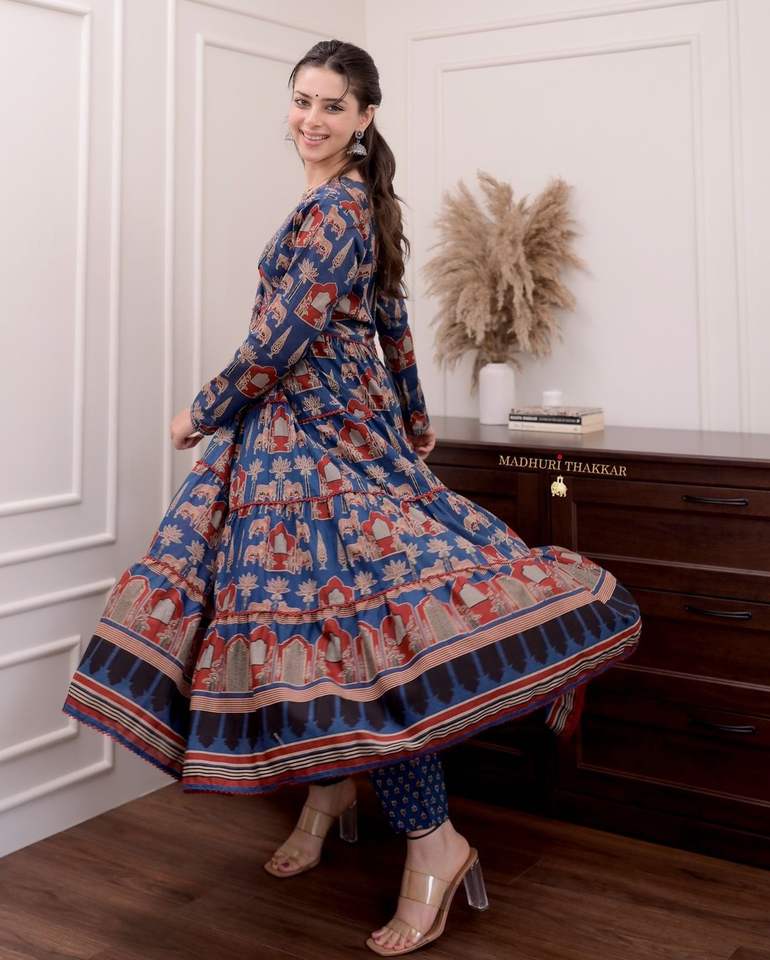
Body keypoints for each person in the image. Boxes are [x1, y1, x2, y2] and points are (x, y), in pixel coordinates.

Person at [62, 39, 641, 958]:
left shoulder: (338, 208)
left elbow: (284, 337)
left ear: (365, 116)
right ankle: (330, 796)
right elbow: (391, 321)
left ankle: (435, 845)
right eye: (303, 100)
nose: (311, 119)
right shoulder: (352, 201)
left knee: (369, 647)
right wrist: (413, 416)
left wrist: (200, 413)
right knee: (319, 638)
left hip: (320, 446)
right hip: (303, 441)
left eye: (332, 105)